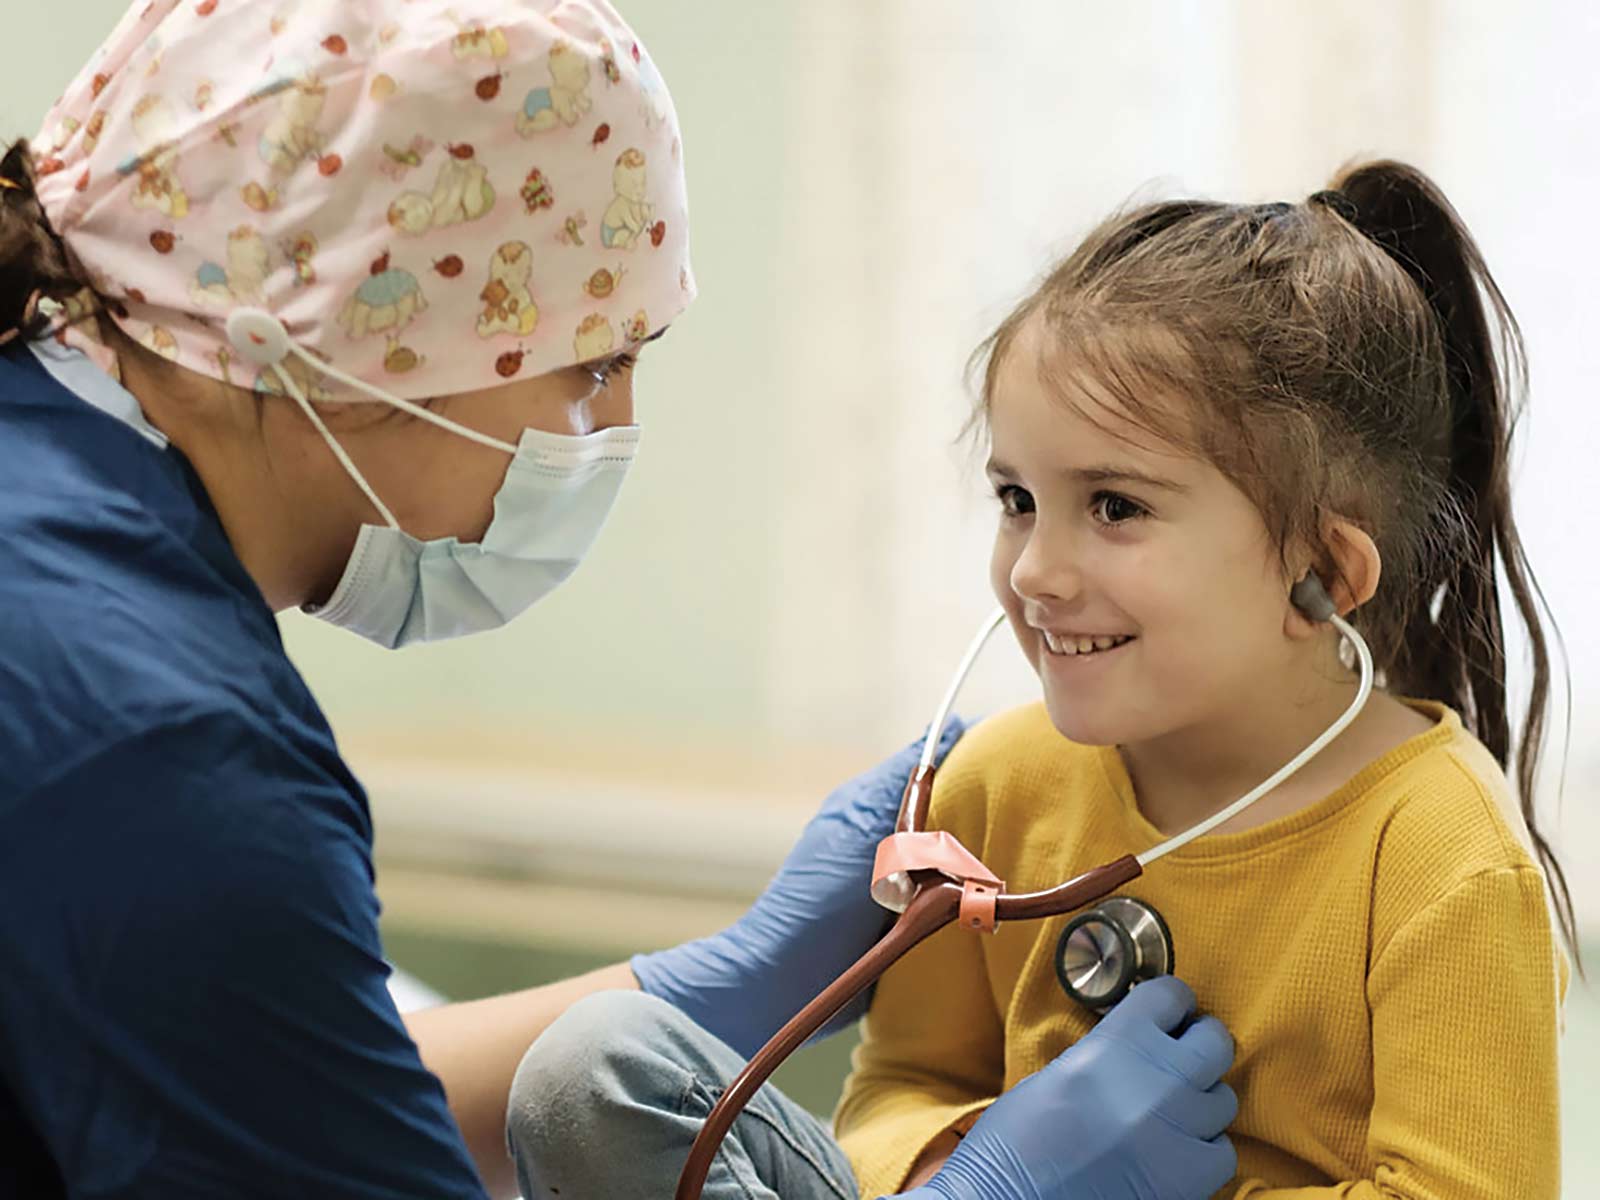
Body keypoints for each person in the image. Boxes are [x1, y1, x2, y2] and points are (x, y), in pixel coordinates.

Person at [0, 2, 1237, 1198]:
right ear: (357, 335)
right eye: (593, 366)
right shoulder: (160, 746)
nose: (614, 432)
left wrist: (711, 989)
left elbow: (258, 1093)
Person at [509, 162, 1577, 1199]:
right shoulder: (997, 784)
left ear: (1322, 574)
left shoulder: (1438, 850)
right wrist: (968, 1173)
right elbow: (903, 1086)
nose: (1033, 571)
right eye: (1017, 498)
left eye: (1113, 506)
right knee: (593, 1076)